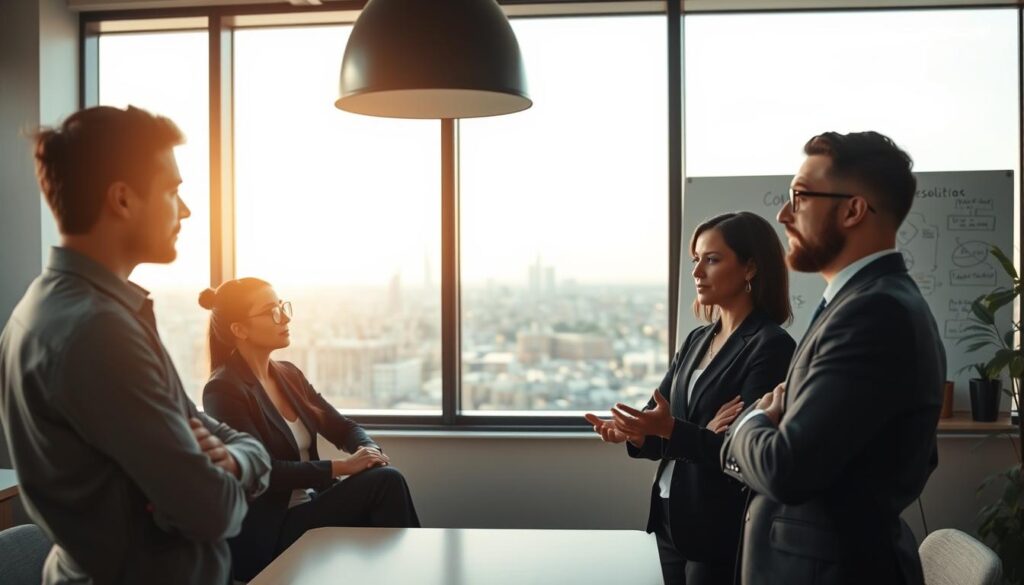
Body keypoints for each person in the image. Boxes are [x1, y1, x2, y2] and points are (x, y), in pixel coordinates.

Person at [0, 105, 271, 585]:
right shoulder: (97, 333)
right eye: (173, 191)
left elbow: (207, 431)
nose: (185, 210)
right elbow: (213, 511)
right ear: (122, 200)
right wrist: (240, 466)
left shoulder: (47, 309)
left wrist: (233, 458)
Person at [721, 131, 946, 585]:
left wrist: (748, 420)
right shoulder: (860, 303)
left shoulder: (874, 313)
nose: (784, 214)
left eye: (799, 196)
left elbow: (786, 471)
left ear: (853, 209)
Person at [586, 211, 795, 585]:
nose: (697, 272)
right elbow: (665, 424)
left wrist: (676, 431)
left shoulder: (771, 346)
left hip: (718, 526)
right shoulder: (697, 340)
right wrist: (636, 433)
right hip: (670, 516)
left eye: (712, 260)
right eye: (696, 260)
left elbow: (742, 450)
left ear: (750, 268)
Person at [199, 278, 421, 581]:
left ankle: (401, 575)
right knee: (386, 483)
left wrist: (369, 452)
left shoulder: (289, 374)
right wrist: (343, 466)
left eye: (282, 307)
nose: (285, 318)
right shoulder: (223, 389)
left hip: (311, 506)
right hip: (272, 528)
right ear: (240, 329)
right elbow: (265, 471)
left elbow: (343, 427)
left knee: (382, 477)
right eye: (271, 312)